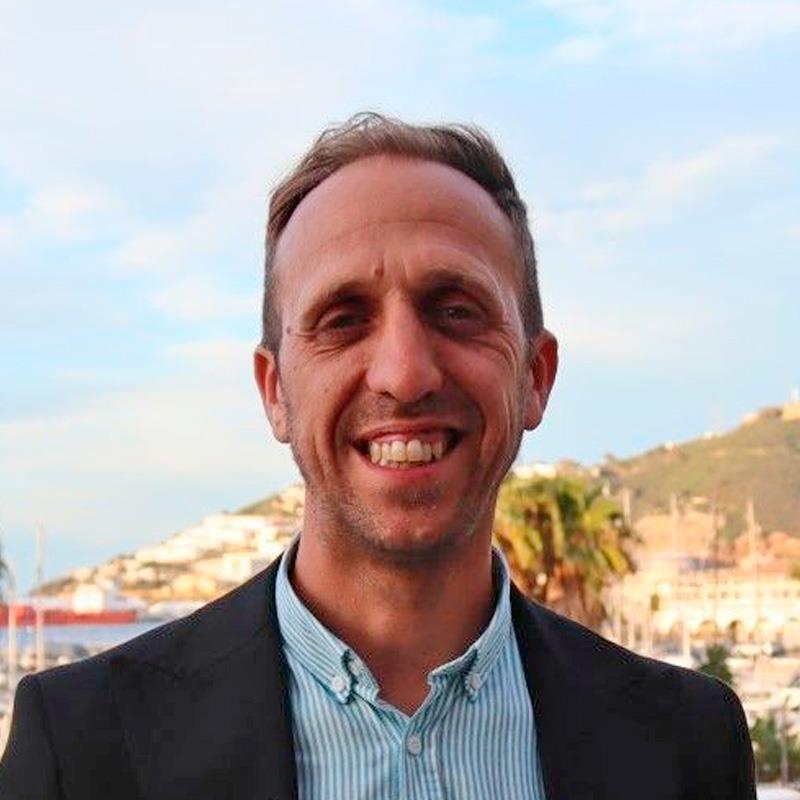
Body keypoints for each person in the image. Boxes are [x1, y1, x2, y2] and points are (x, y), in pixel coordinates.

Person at [0, 113, 755, 799]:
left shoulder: (688, 745)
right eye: (342, 319)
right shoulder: (85, 748)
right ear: (274, 392)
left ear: (535, 376)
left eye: (455, 309)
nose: (404, 373)